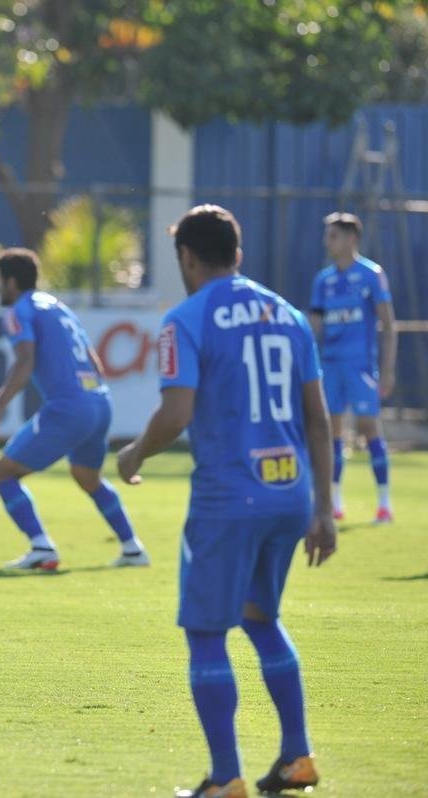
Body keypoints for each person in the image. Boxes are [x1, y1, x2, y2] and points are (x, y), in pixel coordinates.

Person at [117, 205, 337, 798]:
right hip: (290, 495)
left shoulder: (185, 319)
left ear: (187, 257)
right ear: (237, 254)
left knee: (206, 633)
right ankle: (297, 758)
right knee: (262, 618)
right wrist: (324, 508)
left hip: (228, 498)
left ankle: (225, 778)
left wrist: (135, 453)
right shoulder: (289, 315)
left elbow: (177, 413)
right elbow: (318, 421)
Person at [0, 248, 147, 570]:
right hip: (100, 401)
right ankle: (132, 548)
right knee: (87, 476)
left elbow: (24, 360)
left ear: (11, 282)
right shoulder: (58, 306)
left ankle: (41, 546)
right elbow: (94, 361)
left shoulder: (19, 310)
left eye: (0, 280)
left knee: (3, 474)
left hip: (70, 407)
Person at [309, 212, 397, 523]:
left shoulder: (372, 274)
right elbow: (313, 326)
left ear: (351, 239)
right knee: (332, 432)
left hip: (360, 365)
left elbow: (388, 325)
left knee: (369, 429)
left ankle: (384, 503)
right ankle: (334, 501)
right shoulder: (324, 280)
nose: (327, 242)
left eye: (333, 236)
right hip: (330, 366)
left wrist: (387, 370)